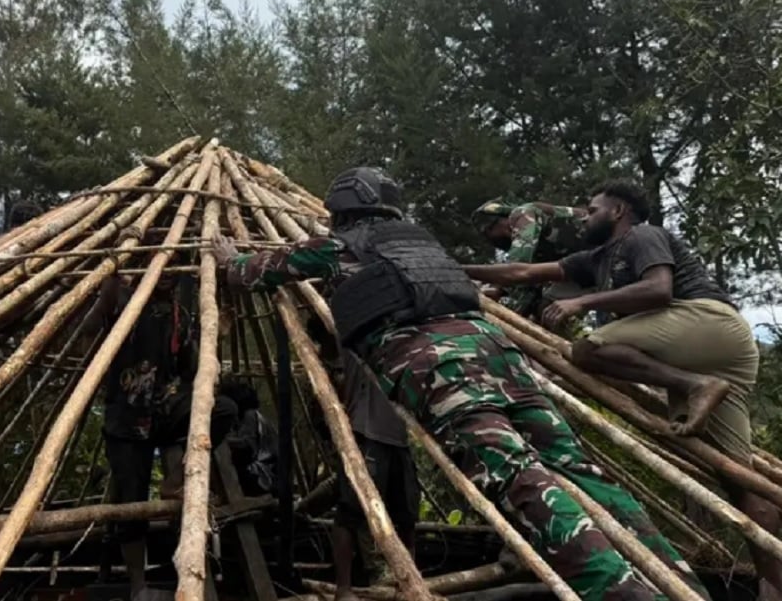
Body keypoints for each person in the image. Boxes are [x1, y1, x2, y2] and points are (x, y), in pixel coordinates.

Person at [212, 167, 709, 601]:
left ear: (342, 208)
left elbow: (252, 272)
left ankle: (623, 594)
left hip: (440, 369)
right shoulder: (421, 244)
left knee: (518, 480)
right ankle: (682, 585)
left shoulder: (337, 246)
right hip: (501, 357)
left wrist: (230, 256)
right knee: (580, 472)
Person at [463, 179, 782, 599]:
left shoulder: (642, 237)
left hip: (707, 323)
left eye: (593, 210)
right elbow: (522, 272)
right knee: (741, 483)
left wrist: (582, 302)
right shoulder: (593, 258)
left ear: (618, 211)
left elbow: (659, 289)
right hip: (708, 354)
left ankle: (698, 385)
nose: (584, 217)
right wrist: (456, 270)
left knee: (590, 348)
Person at [96, 268, 238, 600]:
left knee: (223, 410)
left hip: (163, 411)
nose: (167, 273)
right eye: (163, 263)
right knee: (131, 501)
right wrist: (109, 284)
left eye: (175, 266)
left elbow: (191, 369)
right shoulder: (125, 300)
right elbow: (92, 326)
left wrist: (214, 339)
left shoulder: (180, 315)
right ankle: (138, 587)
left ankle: (174, 481)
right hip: (127, 419)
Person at [306, 314, 419, 601]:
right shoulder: (353, 340)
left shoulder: (397, 341)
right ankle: (343, 588)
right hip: (367, 433)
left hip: (397, 436)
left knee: (406, 514)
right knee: (352, 511)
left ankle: (409, 582)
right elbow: (329, 325)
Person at [471, 199, 588, 320]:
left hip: (597, 248)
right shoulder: (534, 249)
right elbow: (528, 285)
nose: (495, 235)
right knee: (547, 309)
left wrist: (497, 286)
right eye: (488, 235)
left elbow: (518, 263)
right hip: (584, 268)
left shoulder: (524, 213)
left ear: (504, 217)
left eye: (491, 228)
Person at [220, 380, 277, 497]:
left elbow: (247, 444)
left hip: (262, 474)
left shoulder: (250, 415)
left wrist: (223, 441)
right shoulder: (255, 416)